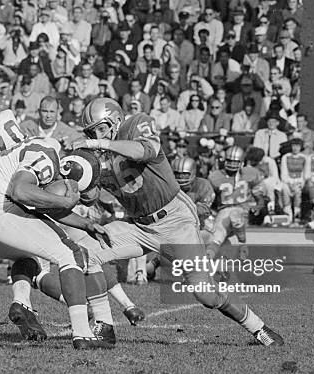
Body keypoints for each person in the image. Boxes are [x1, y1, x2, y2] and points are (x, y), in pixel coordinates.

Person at [73, 98, 284, 347]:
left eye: (100, 128)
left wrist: (99, 142)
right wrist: (79, 175)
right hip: (138, 226)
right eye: (90, 132)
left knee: (206, 294)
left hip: (174, 221)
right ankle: (104, 328)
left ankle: (259, 328)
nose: (94, 135)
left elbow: (146, 150)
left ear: (116, 120)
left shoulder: (137, 123)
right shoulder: (101, 155)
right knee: (85, 253)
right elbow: (90, 198)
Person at [0, 136, 113, 349]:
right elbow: (20, 191)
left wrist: (85, 224)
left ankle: (23, 304)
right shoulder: (46, 154)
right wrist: (63, 200)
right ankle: (82, 333)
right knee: (71, 253)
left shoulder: (41, 157)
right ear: (68, 178)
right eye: (76, 192)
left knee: (29, 258)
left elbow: (39, 203)